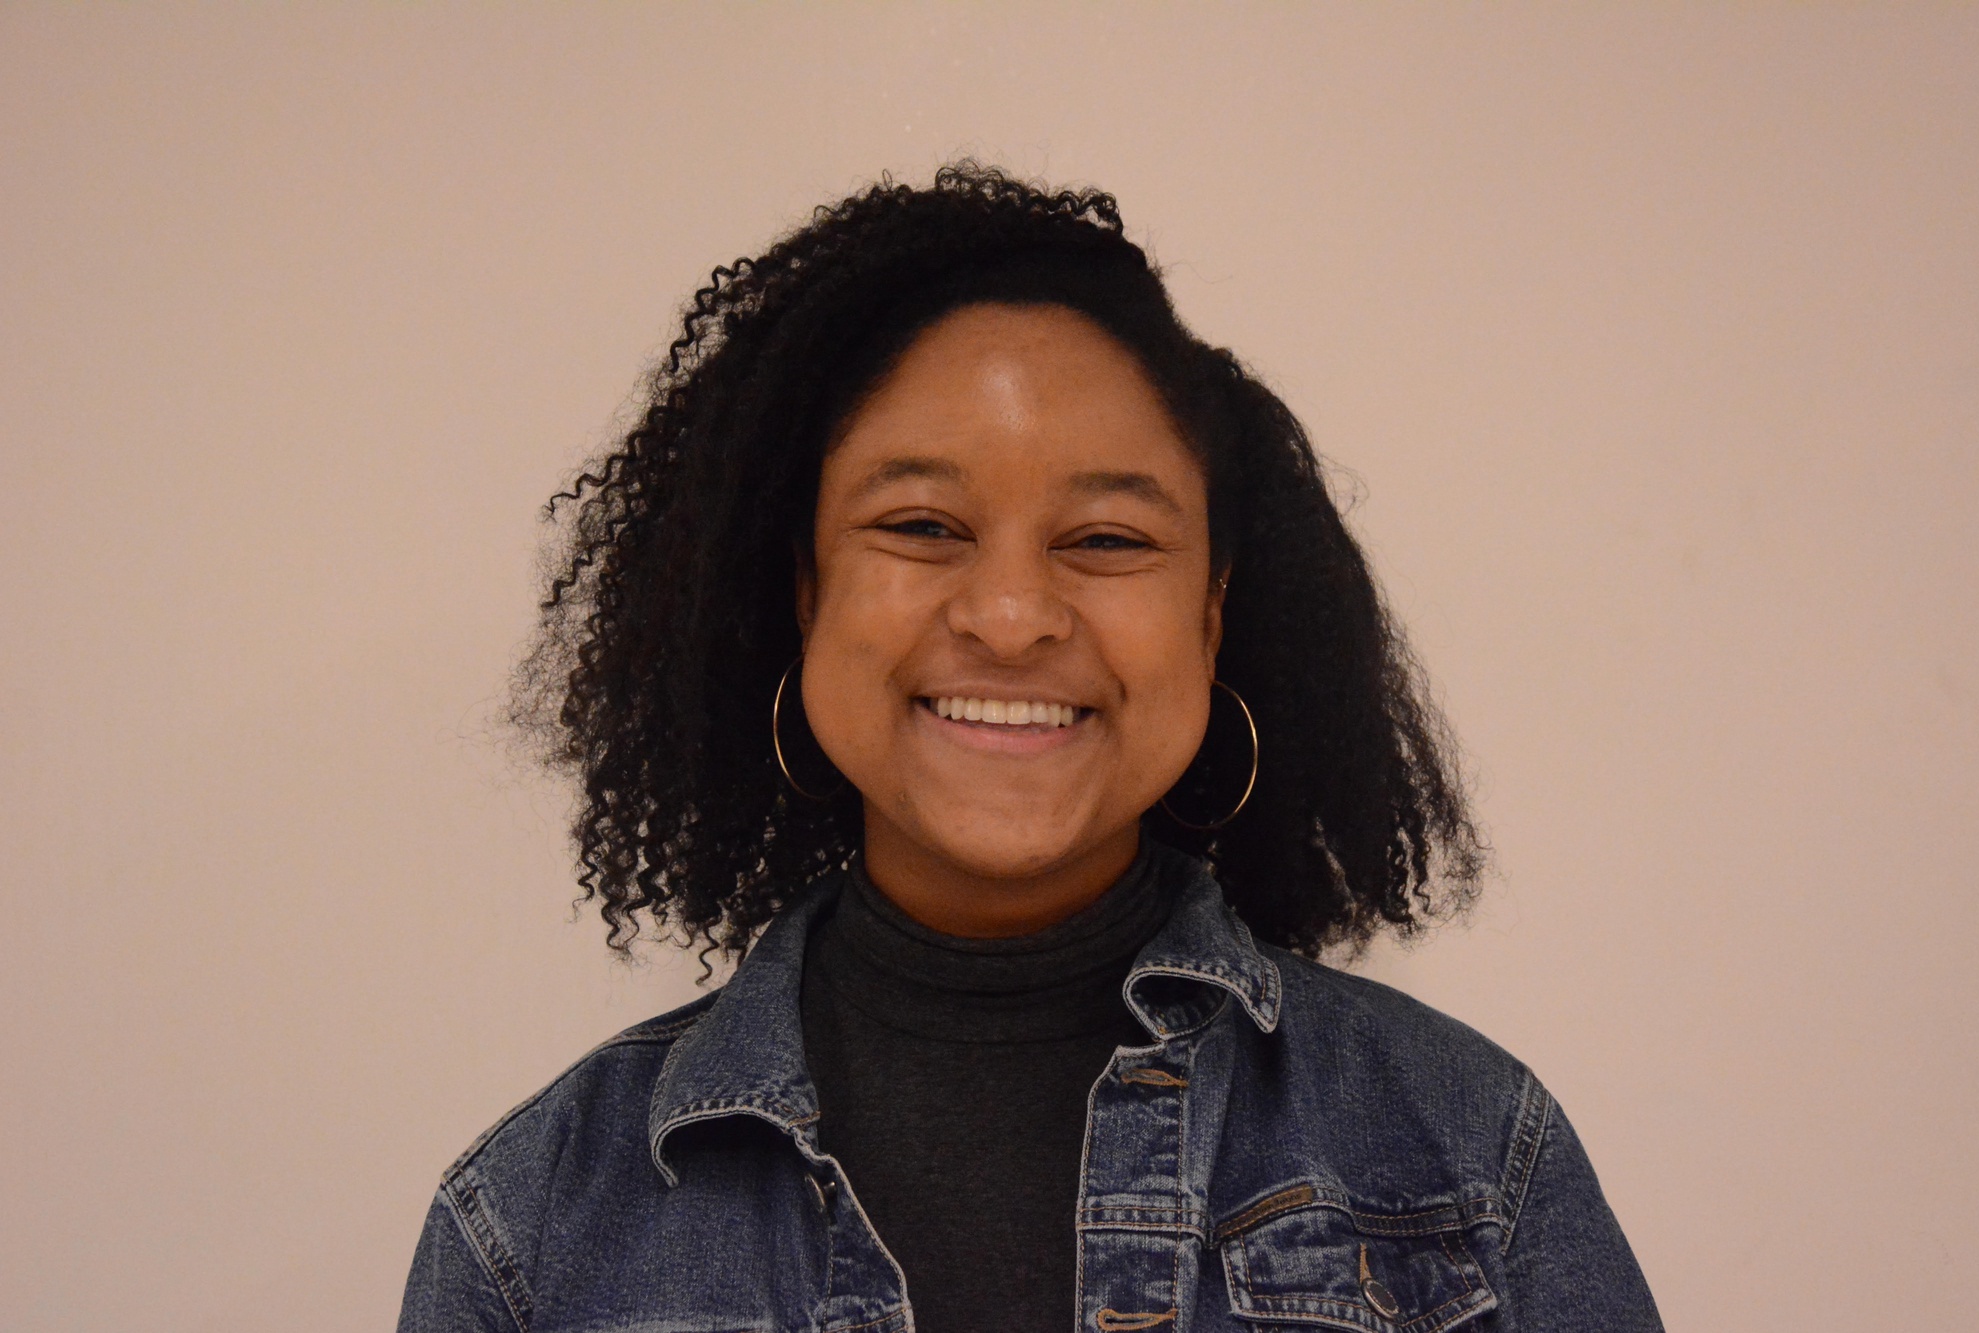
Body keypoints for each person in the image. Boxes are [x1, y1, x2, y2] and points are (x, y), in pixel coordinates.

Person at [398, 164, 1662, 1333]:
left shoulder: (1473, 1153)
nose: (1009, 616)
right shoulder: (531, 1225)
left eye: (1106, 540)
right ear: (805, 592)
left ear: (1210, 615)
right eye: (921, 525)